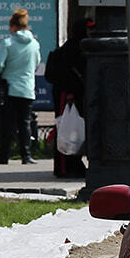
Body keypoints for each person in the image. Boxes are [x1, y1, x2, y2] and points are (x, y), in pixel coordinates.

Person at [0, 9, 41, 165]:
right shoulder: (34, 43)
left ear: (13, 26)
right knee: (25, 122)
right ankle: (26, 155)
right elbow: (37, 62)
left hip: (10, 88)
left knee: (7, 122)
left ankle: (3, 156)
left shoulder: (8, 42)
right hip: (27, 88)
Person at [44, 18, 91, 177]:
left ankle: (73, 163)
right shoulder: (73, 48)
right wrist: (70, 92)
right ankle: (64, 167)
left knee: (73, 129)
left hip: (72, 94)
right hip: (68, 94)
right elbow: (66, 74)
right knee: (66, 128)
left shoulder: (77, 46)